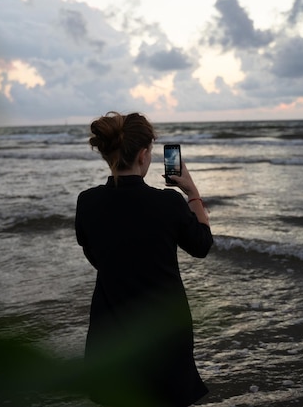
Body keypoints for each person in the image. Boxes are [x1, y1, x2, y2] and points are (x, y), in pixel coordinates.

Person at [75, 111, 213, 407]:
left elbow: (96, 256)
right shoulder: (168, 204)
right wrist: (191, 191)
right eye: (150, 151)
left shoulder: (87, 202)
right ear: (142, 154)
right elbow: (202, 245)